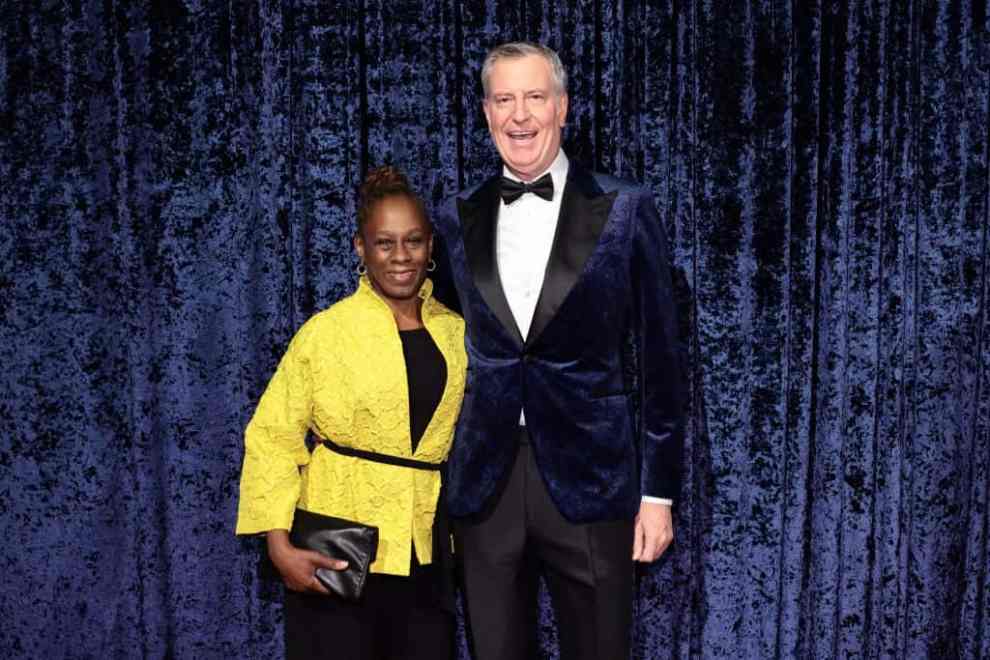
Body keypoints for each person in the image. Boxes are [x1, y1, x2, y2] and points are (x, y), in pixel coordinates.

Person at [434, 42, 685, 660]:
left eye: (535, 97)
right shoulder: (452, 215)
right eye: (504, 99)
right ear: (488, 114)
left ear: (563, 107)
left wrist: (658, 494)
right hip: (485, 481)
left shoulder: (627, 209)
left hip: (592, 477)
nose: (520, 116)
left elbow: (662, 355)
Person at [236, 166, 466, 660]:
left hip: (425, 554)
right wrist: (280, 548)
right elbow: (272, 436)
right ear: (361, 248)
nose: (400, 256)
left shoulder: (458, 334)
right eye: (384, 243)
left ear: (431, 248)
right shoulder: (326, 333)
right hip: (337, 554)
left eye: (413, 241)